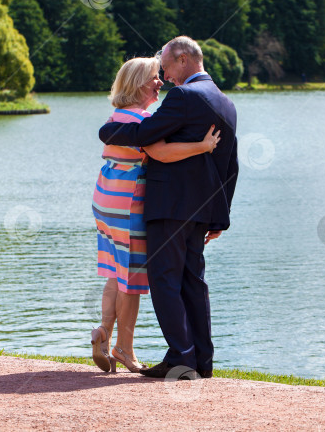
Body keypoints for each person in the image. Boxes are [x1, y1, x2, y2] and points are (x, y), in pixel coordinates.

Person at [98, 36, 239, 380]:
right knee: (193, 282)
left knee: (165, 281)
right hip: (202, 211)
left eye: (166, 66)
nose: (165, 75)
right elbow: (231, 165)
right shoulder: (225, 102)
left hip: (170, 206)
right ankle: (201, 360)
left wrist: (108, 131)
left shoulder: (185, 95)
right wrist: (221, 216)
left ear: (182, 60)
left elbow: (147, 133)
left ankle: (181, 357)